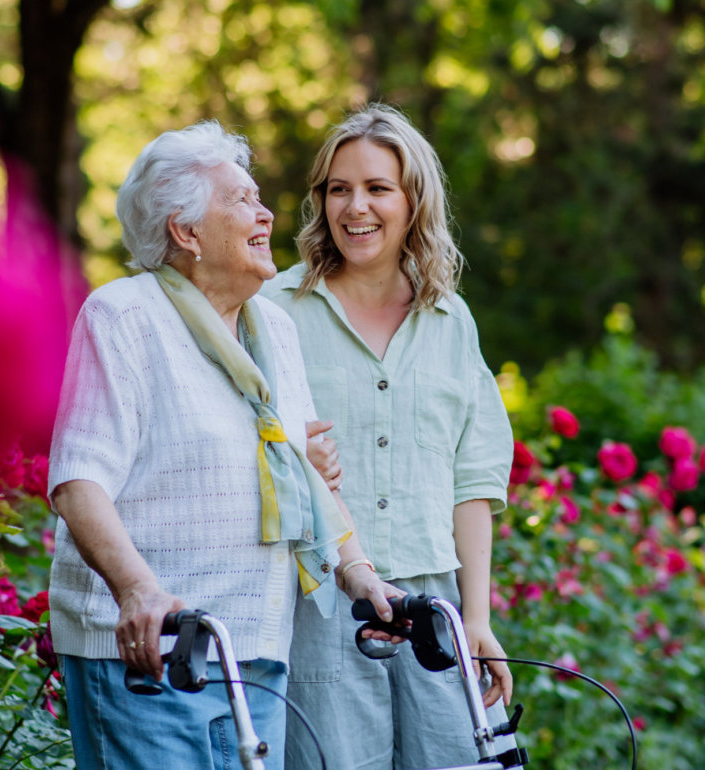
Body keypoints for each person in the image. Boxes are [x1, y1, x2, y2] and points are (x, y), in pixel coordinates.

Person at [46, 121, 400, 770]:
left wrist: (362, 577)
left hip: (255, 651)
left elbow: (304, 479)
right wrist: (137, 591)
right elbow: (78, 480)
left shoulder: (275, 330)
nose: (266, 213)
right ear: (185, 231)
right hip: (152, 652)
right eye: (241, 200)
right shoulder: (125, 315)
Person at [261, 104, 516, 770]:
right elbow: (242, 449)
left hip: (435, 612)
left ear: (412, 201)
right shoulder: (272, 313)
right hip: (320, 609)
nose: (356, 207)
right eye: (338, 189)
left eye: (377, 188)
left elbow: (474, 479)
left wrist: (478, 620)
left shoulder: (450, 320)